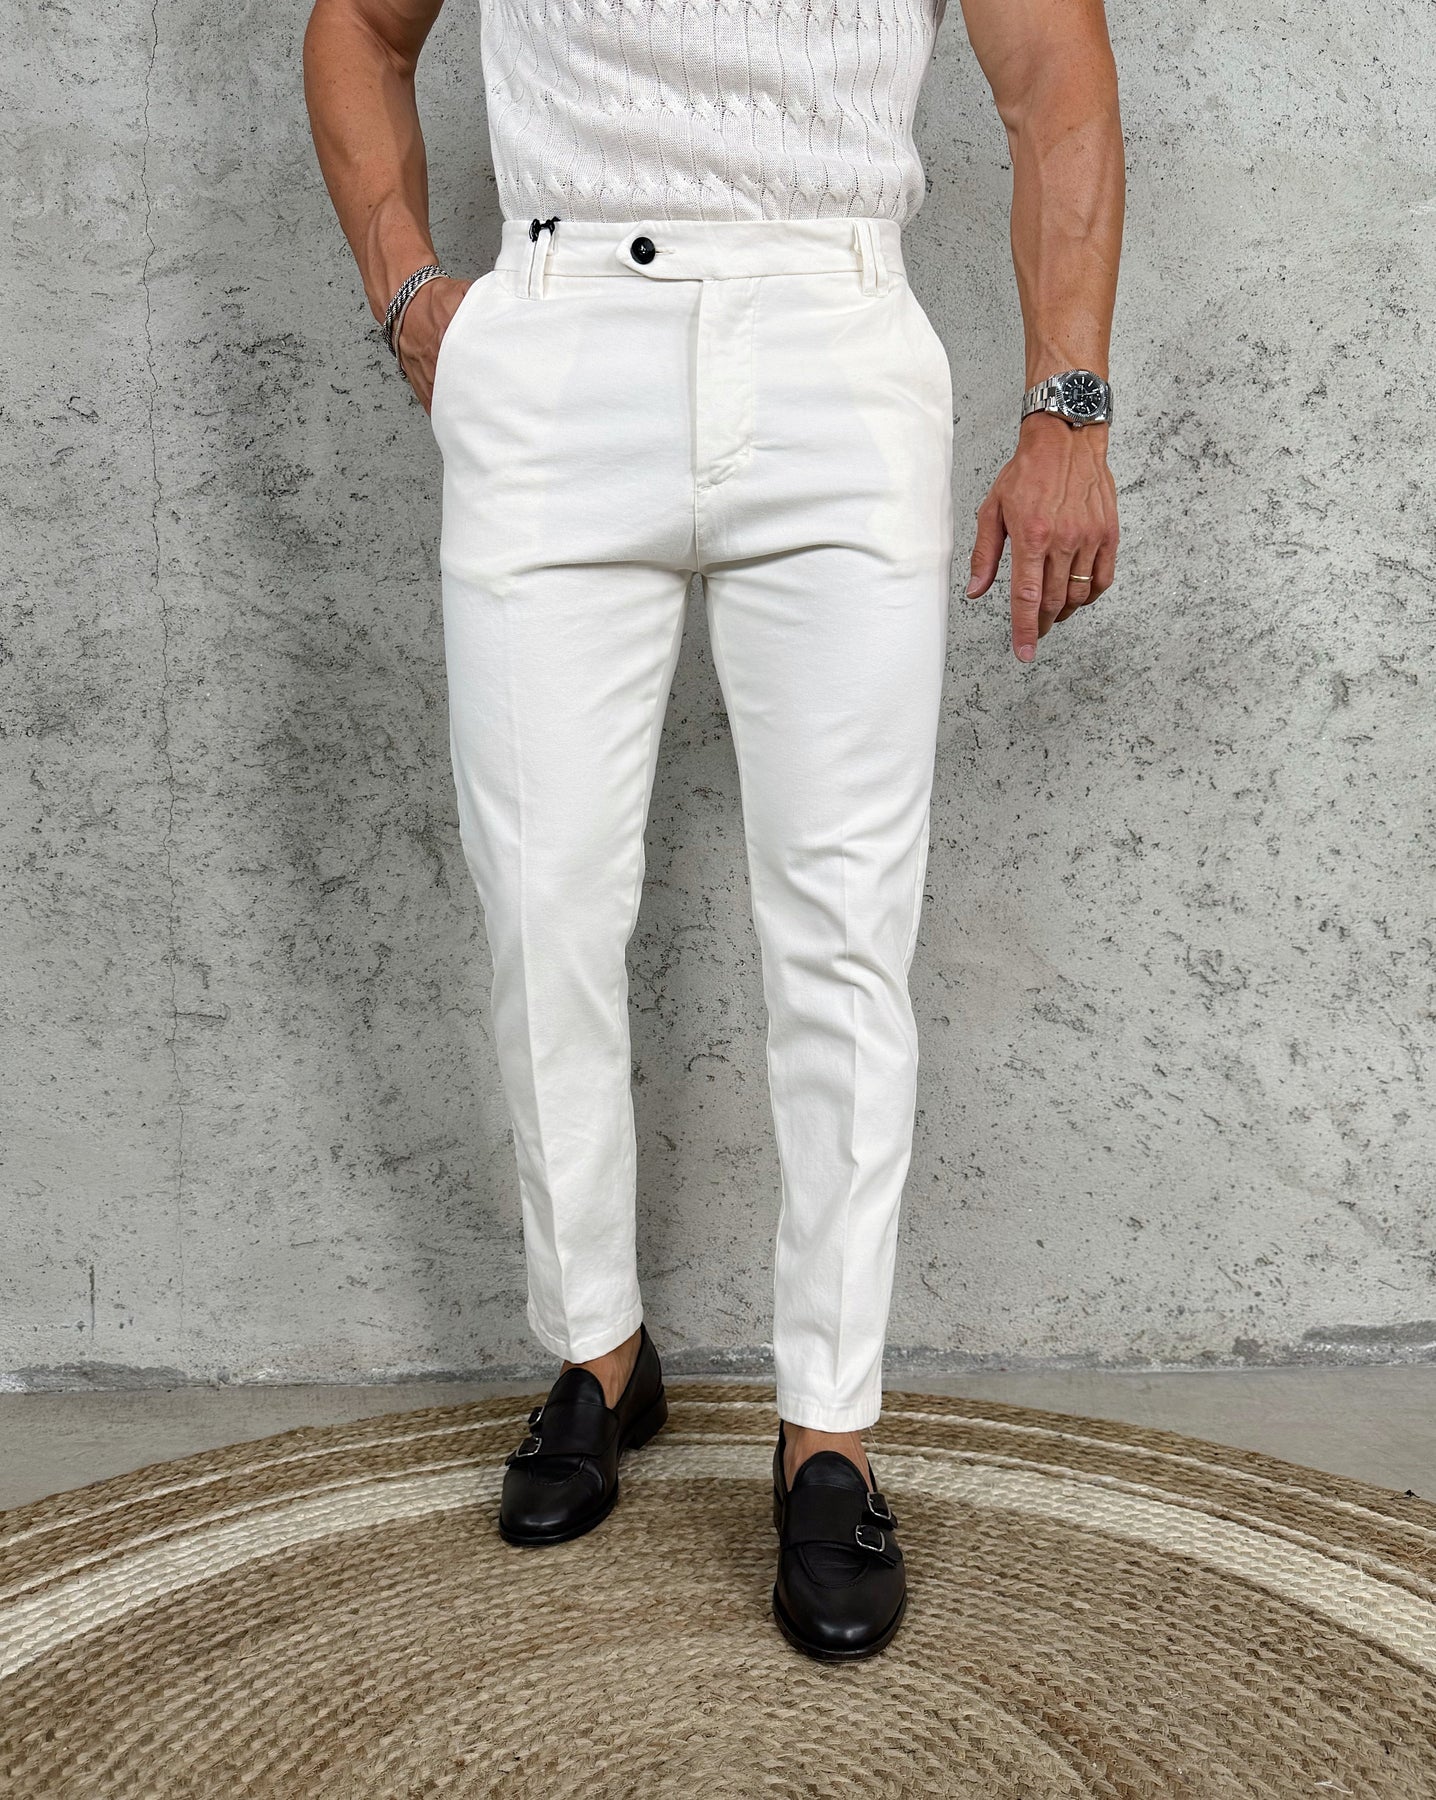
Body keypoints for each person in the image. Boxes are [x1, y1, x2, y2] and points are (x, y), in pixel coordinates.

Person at [303, 0, 1123, 1661]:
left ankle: (831, 1433)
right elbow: (359, 27)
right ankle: (598, 1351)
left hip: (834, 350)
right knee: (541, 899)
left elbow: (1055, 75)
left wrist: (1069, 408)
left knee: (843, 926)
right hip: (555, 350)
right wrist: (410, 290)